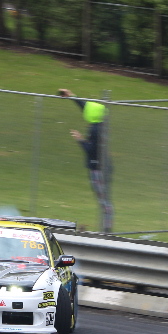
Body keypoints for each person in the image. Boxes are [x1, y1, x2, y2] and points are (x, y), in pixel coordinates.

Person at [59, 88, 114, 233]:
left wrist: (80, 139)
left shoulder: (96, 131)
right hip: (103, 167)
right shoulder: (100, 123)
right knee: (103, 199)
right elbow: (85, 107)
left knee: (104, 200)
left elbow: (91, 150)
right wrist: (72, 96)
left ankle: (107, 230)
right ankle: (106, 226)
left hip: (98, 169)